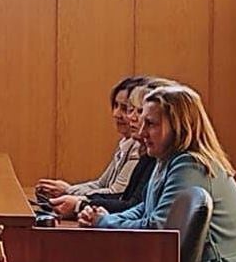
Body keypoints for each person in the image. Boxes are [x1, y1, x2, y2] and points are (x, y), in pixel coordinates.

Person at [79, 84, 236, 262]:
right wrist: (105, 216)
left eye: (151, 124)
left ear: (179, 126)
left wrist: (104, 222)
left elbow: (160, 230)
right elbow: (146, 208)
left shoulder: (191, 166)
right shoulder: (167, 160)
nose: (140, 132)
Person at [47, 77, 176, 218]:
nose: (130, 117)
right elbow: (135, 206)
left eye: (140, 112)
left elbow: (137, 210)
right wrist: (81, 203)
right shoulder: (149, 154)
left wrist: (80, 204)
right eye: (131, 110)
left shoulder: (171, 161)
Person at [36, 75, 143, 199]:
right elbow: (100, 184)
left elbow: (116, 193)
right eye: (115, 106)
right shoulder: (125, 143)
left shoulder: (138, 147)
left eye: (125, 108)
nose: (116, 114)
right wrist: (68, 190)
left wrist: (69, 192)